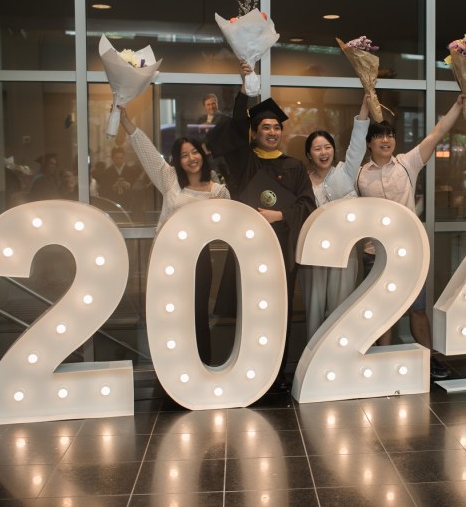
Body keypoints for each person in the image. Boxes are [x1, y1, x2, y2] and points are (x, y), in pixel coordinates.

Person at [357, 93, 466, 380]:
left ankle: (428, 362)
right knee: (381, 311)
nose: (386, 140)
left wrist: (458, 105)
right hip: (376, 254)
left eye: (391, 135)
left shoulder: (408, 163)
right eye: (380, 136)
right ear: (369, 142)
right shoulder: (359, 175)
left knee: (418, 310)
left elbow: (438, 132)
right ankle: (382, 363)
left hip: (409, 253)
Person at [218, 60, 317, 392]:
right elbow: (233, 129)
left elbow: (308, 205)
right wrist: (247, 85)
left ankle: (276, 376)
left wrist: (279, 215)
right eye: (265, 128)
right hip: (251, 251)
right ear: (256, 133)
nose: (272, 132)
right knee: (252, 312)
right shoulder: (247, 162)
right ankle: (249, 372)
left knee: (280, 314)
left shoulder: (295, 166)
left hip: (282, 252)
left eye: (276, 127)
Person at [118, 105, 230, 366]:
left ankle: (201, 365)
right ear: (177, 161)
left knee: (197, 313)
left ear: (203, 155)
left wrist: (217, 209)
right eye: (184, 155)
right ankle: (172, 369)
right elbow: (146, 151)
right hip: (166, 258)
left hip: (199, 261)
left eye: (195, 152)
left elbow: (226, 231)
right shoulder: (170, 180)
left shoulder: (219, 191)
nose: (191, 158)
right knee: (169, 315)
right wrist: (125, 120)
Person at [299, 93, 370, 338]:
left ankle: (338, 360)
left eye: (327, 147)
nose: (323, 152)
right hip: (314, 254)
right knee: (315, 309)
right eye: (317, 148)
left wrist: (365, 105)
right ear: (309, 154)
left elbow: (358, 143)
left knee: (342, 307)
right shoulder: (303, 183)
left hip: (345, 252)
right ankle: (313, 361)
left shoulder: (345, 172)